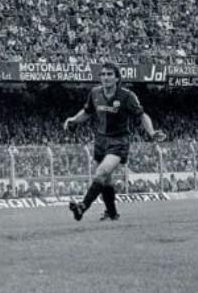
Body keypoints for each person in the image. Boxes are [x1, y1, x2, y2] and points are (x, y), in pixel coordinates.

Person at [63, 62, 165, 222]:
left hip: (119, 141)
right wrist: (73, 120)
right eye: (103, 74)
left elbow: (142, 115)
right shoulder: (95, 93)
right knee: (106, 180)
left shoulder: (126, 96)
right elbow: (87, 112)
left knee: (101, 173)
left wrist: (151, 132)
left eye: (110, 74)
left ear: (117, 78)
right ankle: (112, 213)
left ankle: (82, 206)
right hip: (100, 140)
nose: (106, 77)